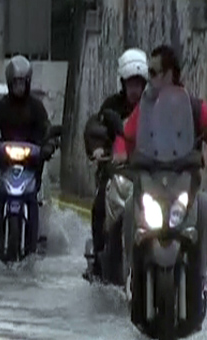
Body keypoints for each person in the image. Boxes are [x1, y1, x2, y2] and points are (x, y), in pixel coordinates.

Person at [113, 45, 207, 320]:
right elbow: (126, 133)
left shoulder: (191, 104)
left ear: (169, 74)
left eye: (153, 72)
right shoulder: (146, 106)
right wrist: (119, 151)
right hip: (151, 182)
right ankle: (131, 273)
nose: (148, 78)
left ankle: (200, 278)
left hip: (183, 183)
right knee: (130, 207)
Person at [0, 55, 57, 257]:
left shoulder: (36, 107)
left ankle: (33, 242)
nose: (19, 87)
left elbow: (46, 129)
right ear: (9, 82)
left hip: (32, 164)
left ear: (28, 82)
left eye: (22, 82)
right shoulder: (2, 106)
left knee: (33, 199)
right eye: (15, 82)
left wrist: (49, 145)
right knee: (0, 196)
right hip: (6, 164)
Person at [83, 48, 149, 279]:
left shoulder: (154, 106)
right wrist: (99, 147)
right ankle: (99, 259)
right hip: (116, 172)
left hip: (147, 173)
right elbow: (95, 128)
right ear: (123, 82)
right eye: (131, 83)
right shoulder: (112, 106)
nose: (135, 89)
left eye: (139, 83)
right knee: (100, 205)